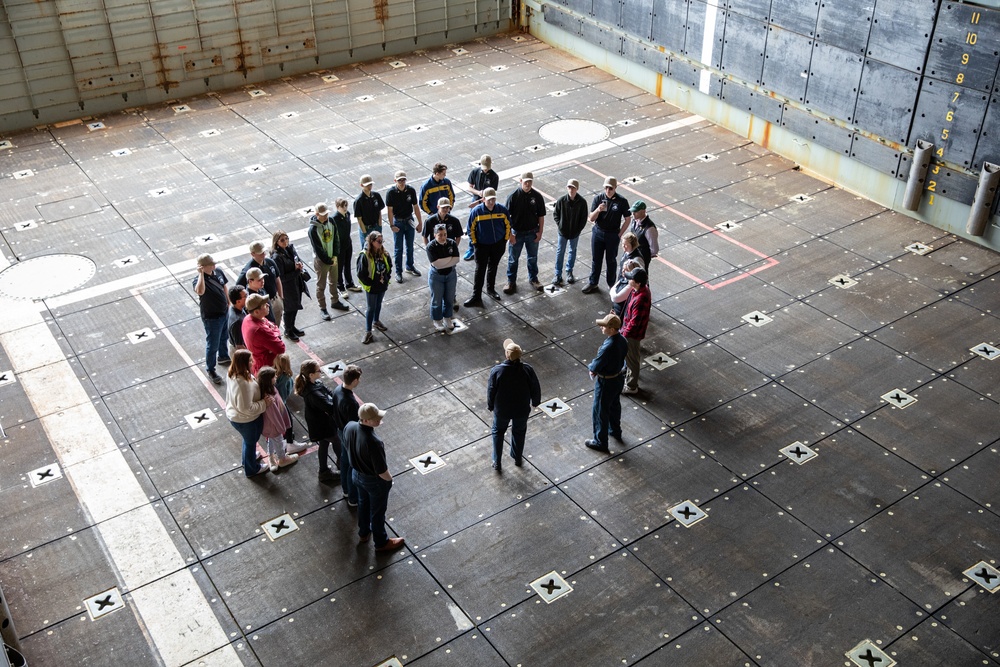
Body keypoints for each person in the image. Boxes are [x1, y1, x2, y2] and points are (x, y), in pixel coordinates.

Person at [344, 402, 405, 552]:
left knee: (363, 504)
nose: (379, 420)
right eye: (375, 419)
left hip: (356, 475)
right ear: (365, 420)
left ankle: (363, 532)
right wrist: (389, 480)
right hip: (373, 481)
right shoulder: (374, 442)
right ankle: (381, 542)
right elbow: (381, 470)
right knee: (377, 512)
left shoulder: (350, 426)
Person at [486, 338, 541, 471]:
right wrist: (535, 401)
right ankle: (517, 457)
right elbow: (535, 387)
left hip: (502, 410)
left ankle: (497, 461)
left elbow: (491, 389)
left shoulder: (497, 371)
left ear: (506, 355)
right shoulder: (527, 369)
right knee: (519, 432)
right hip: (521, 409)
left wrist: (490, 405)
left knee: (498, 432)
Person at [586, 313, 628, 453]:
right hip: (618, 378)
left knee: (599, 411)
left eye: (604, 326)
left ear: (611, 329)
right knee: (614, 405)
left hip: (606, 382)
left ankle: (600, 442)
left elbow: (595, 366)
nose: (601, 327)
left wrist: (591, 369)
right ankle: (615, 430)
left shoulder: (608, 346)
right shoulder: (622, 340)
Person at [225, 349, 271, 477]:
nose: (253, 362)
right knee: (251, 441)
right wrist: (264, 403)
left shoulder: (234, 373)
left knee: (248, 441)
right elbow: (247, 408)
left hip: (236, 416)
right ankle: (252, 469)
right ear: (243, 363)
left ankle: (247, 459)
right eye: (250, 361)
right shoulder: (243, 384)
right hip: (246, 420)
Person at [294, 360, 341, 483]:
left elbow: (328, 392)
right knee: (336, 440)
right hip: (322, 423)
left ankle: (324, 471)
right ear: (311, 375)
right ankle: (342, 464)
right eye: (318, 370)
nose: (320, 371)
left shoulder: (314, 384)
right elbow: (329, 406)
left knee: (324, 444)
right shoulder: (313, 393)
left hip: (318, 421)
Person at [582, 177, 631, 294]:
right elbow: (591, 218)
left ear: (615, 188)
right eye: (606, 188)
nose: (608, 190)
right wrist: (598, 210)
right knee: (596, 259)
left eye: (611, 188)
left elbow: (628, 219)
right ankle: (593, 282)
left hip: (612, 234)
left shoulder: (621, 201)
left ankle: (611, 285)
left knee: (611, 261)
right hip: (598, 232)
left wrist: (619, 234)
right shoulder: (598, 199)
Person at [464, 188, 511, 308]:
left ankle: (491, 290)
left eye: (493, 199)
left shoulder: (502, 210)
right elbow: (470, 229)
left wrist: (504, 241)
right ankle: (476, 296)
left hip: (497, 245)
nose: (491, 202)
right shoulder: (476, 212)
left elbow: (508, 226)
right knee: (480, 270)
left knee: (493, 267)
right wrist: (475, 244)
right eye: (489, 200)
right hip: (481, 246)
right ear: (483, 199)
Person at [504, 172, 546, 293]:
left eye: (530, 181)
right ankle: (511, 281)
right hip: (517, 233)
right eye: (525, 181)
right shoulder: (513, 196)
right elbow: (505, 217)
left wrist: (540, 232)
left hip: (532, 232)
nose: (528, 184)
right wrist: (510, 235)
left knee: (532, 258)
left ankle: (533, 279)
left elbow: (541, 216)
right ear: (520, 181)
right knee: (513, 259)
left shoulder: (537, 196)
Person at [192, 254, 231, 385]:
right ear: (203, 267)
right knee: (212, 344)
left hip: (223, 312)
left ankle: (223, 356)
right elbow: (200, 291)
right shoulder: (198, 280)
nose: (214, 266)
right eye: (211, 264)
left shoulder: (218, 272)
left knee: (224, 336)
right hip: (212, 317)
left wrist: (227, 300)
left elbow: (224, 285)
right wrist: (201, 275)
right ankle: (211, 369)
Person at [308, 202, 350, 321]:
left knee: (334, 281)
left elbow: (336, 238)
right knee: (321, 285)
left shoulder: (331, 221)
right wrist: (329, 260)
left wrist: (335, 255)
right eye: (323, 214)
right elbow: (318, 249)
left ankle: (335, 301)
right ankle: (322, 307)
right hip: (321, 261)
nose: (326, 216)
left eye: (326, 213)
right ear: (317, 214)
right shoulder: (313, 229)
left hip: (332, 258)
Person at [257, 366, 298, 472]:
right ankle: (282, 459)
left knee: (271, 440)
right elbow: (274, 415)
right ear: (268, 380)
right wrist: (281, 427)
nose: (276, 378)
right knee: (279, 441)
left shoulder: (267, 390)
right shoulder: (269, 397)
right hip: (274, 425)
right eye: (274, 377)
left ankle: (271, 457)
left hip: (269, 426)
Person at [332, 364, 362, 508]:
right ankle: (353, 497)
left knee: (344, 461)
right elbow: (355, 425)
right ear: (355, 380)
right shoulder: (351, 403)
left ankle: (345, 490)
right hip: (349, 436)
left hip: (340, 430)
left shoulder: (337, 390)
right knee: (352, 465)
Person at [385, 171, 423, 282]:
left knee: (410, 246)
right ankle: (398, 271)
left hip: (409, 219)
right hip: (398, 222)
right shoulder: (391, 193)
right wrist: (392, 225)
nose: (402, 182)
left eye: (403, 180)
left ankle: (410, 266)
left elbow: (416, 207)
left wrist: (420, 222)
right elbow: (390, 211)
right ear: (395, 181)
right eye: (399, 180)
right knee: (398, 249)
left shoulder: (410, 190)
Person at [269, 230, 306, 341]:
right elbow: (281, 277)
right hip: (287, 287)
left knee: (295, 307)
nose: (285, 242)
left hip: (296, 283)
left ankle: (292, 326)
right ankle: (288, 330)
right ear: (276, 242)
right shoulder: (276, 257)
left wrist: (298, 264)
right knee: (289, 309)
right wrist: (296, 271)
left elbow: (296, 258)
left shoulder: (290, 249)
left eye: (286, 239)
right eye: (282, 240)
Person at [356, 231, 392, 344]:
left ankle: (376, 321)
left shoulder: (384, 253)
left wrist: (386, 279)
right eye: (378, 241)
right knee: (371, 307)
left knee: (378, 304)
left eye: (382, 241)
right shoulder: (364, 256)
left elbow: (389, 266)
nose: (381, 243)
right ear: (372, 242)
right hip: (372, 287)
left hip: (382, 285)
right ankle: (368, 331)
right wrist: (370, 283)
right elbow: (361, 273)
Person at [237, 241, 284, 326]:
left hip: (274, 299)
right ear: (253, 254)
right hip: (261, 306)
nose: (263, 254)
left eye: (263, 251)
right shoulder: (248, 270)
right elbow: (238, 289)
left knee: (276, 325)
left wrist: (280, 297)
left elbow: (277, 279)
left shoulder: (270, 262)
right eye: (260, 253)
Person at [620, 267, 651, 396]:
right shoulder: (639, 290)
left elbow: (634, 322)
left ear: (637, 283)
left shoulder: (640, 298)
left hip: (632, 335)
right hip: (630, 332)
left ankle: (632, 386)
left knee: (633, 360)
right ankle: (627, 374)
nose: (628, 280)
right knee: (630, 357)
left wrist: (623, 334)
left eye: (631, 279)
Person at [552, 178, 589, 286]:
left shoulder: (582, 202)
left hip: (574, 233)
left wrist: (578, 229)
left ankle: (569, 271)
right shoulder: (561, 201)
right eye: (569, 187)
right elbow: (556, 214)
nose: (571, 190)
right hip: (563, 232)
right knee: (560, 252)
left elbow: (583, 218)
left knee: (572, 251)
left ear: (577, 189)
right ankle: (557, 274)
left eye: (573, 188)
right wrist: (561, 225)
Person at [426, 222, 461, 332]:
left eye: (444, 234)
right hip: (437, 276)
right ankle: (437, 319)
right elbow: (436, 264)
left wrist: (444, 262)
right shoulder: (430, 246)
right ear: (435, 235)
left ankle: (447, 318)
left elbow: (456, 259)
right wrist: (449, 261)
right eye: (440, 235)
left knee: (449, 298)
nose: (443, 237)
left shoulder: (452, 243)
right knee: (436, 299)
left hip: (450, 275)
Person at [464, 154, 499, 261]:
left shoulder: (494, 176)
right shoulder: (475, 172)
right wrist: (478, 192)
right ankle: (471, 248)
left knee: (486, 225)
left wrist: (485, 197)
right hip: (476, 200)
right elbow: (469, 187)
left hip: (487, 203)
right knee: (472, 225)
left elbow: (493, 192)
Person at [241, 293, 285, 376]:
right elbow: (281, 348)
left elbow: (273, 325)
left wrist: (272, 332)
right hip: (266, 368)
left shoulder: (248, 318)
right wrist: (276, 335)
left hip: (257, 363)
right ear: (256, 311)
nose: (268, 305)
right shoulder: (259, 330)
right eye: (264, 305)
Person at [273, 353, 306, 452]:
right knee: (288, 423)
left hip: (275, 404)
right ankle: (290, 443)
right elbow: (283, 395)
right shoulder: (285, 378)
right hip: (281, 404)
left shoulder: (274, 375)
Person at [419, 163, 456, 241]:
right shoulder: (426, 186)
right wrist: (431, 213)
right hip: (434, 217)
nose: (445, 175)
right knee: (436, 238)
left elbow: (451, 197)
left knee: (448, 237)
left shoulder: (447, 182)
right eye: (443, 174)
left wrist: (448, 209)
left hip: (447, 215)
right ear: (437, 173)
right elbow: (422, 203)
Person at [333, 197, 362, 296]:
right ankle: (340, 286)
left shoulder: (347, 214)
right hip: (339, 246)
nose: (345, 208)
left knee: (348, 264)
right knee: (339, 267)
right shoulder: (334, 219)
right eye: (342, 206)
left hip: (347, 243)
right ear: (337, 207)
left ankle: (349, 283)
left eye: (346, 206)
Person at [354, 174, 386, 247]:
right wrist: (365, 233)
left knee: (378, 248)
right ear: (362, 185)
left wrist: (380, 225)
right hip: (366, 228)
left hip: (376, 226)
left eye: (370, 184)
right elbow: (359, 219)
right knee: (367, 249)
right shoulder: (359, 200)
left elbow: (379, 211)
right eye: (367, 185)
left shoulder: (376, 195)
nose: (369, 187)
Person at [628, 201, 658, 273]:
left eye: (635, 212)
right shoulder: (634, 220)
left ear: (643, 211)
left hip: (642, 258)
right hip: (632, 254)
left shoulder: (649, 228)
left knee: (640, 278)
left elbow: (654, 249)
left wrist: (644, 256)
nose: (633, 214)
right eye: (632, 211)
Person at [226, 285, 247, 360]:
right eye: (245, 296)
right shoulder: (237, 321)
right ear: (238, 301)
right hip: (239, 352)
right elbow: (239, 346)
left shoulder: (236, 308)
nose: (248, 297)